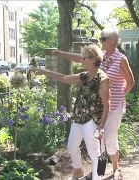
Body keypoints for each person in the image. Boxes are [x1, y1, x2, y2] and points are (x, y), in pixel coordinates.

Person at [52, 26, 135, 180]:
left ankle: (116, 169)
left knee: (110, 138)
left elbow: (130, 82)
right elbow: (80, 58)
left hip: (114, 106)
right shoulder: (101, 56)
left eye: (103, 38)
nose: (101, 41)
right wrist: (62, 53)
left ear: (112, 41)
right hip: (98, 107)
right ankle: (98, 172)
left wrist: (120, 95)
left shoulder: (121, 59)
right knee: (98, 141)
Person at [31, 44, 110, 180]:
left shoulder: (102, 79)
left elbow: (107, 104)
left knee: (94, 152)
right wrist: (44, 72)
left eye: (83, 58)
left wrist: (101, 126)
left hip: (92, 120)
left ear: (92, 59)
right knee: (72, 146)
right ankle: (78, 171)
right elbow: (64, 78)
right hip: (79, 117)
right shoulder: (84, 76)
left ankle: (97, 178)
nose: (81, 60)